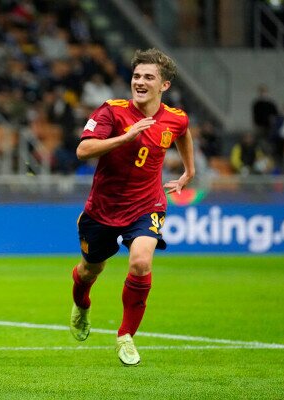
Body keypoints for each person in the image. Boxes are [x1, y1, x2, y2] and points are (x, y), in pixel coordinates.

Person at [68, 48, 195, 366]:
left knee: (140, 262)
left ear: (163, 85)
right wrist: (124, 138)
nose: (140, 81)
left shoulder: (175, 118)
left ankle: (125, 336)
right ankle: (82, 304)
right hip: (102, 210)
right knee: (89, 270)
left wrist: (188, 172)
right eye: (136, 76)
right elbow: (83, 150)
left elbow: (183, 133)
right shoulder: (112, 111)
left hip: (147, 205)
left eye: (148, 77)